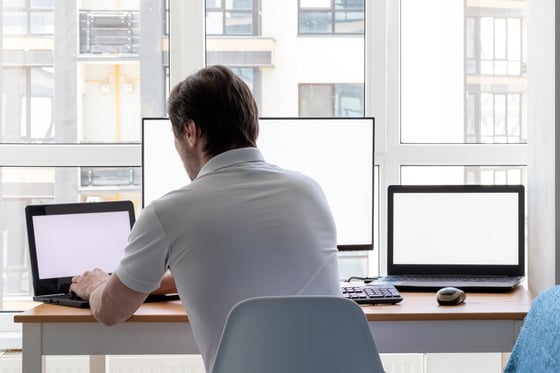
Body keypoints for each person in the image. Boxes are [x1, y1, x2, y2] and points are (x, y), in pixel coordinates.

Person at [69, 64, 341, 372]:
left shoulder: (168, 212)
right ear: (253, 126)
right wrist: (150, 282)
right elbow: (243, 265)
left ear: (190, 132)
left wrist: (95, 286)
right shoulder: (309, 191)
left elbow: (111, 311)